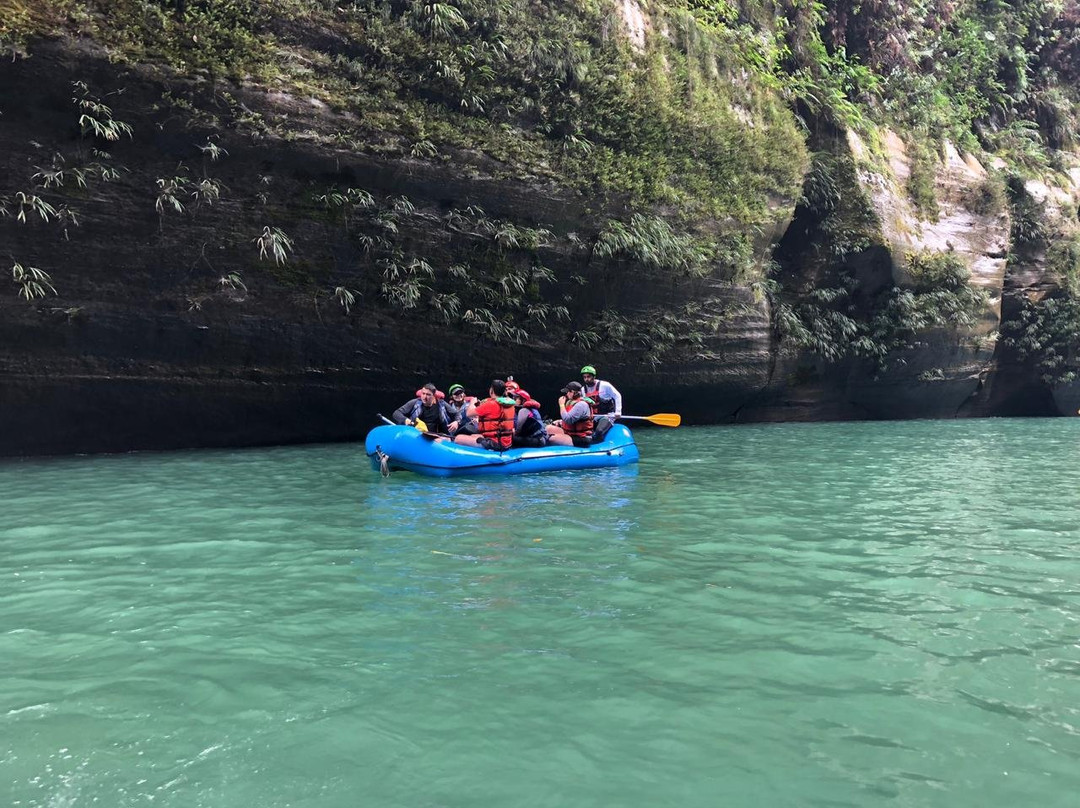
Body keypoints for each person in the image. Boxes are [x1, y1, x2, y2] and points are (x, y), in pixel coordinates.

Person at [454, 379, 516, 451]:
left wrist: (472, 402)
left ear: (491, 390)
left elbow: (469, 414)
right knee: (473, 435)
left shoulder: (491, 404)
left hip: (495, 444)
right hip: (506, 443)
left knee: (458, 438)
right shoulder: (510, 404)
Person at [546, 381, 593, 447]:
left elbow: (568, 420)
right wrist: (560, 421)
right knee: (548, 428)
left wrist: (561, 405)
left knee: (552, 439)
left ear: (574, 392)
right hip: (571, 433)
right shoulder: (571, 402)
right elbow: (573, 419)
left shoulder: (581, 405)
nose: (567, 394)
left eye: (568, 392)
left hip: (581, 437)